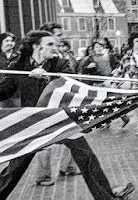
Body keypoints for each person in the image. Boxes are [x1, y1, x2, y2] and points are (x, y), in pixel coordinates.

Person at [0, 30, 134, 200]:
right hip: (34, 123)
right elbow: (0, 94)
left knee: (86, 157)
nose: (54, 47)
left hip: (61, 120)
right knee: (15, 167)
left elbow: (72, 85)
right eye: (50, 44)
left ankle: (106, 197)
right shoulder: (18, 66)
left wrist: (49, 80)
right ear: (37, 47)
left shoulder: (60, 64)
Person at [38, 22, 79, 185]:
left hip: (64, 101)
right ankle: (43, 175)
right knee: (44, 141)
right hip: (44, 104)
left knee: (74, 133)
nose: (63, 38)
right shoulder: (38, 57)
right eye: (59, 35)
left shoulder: (63, 55)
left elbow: (70, 76)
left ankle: (68, 166)